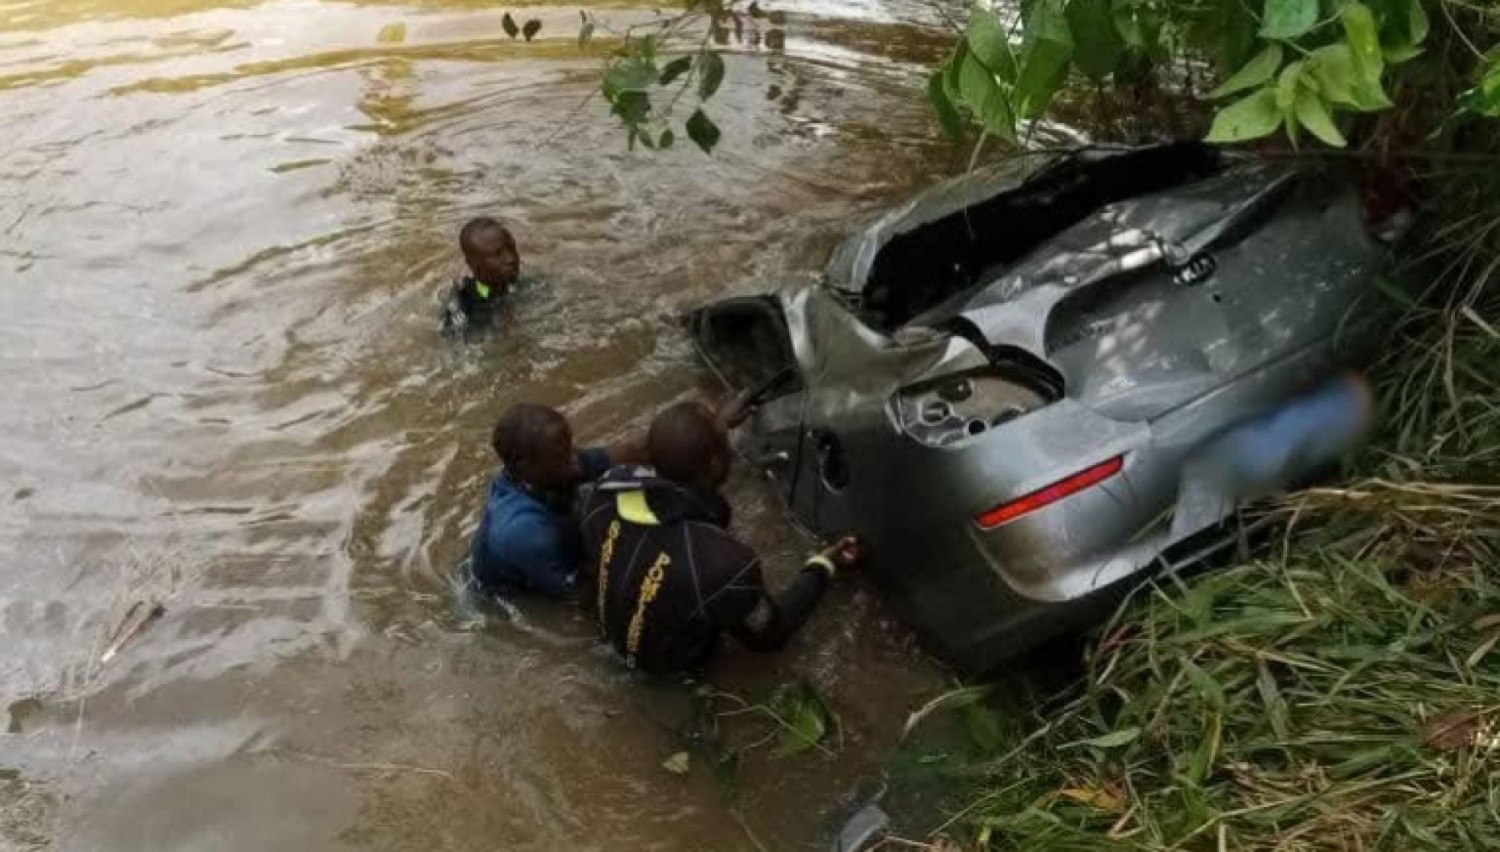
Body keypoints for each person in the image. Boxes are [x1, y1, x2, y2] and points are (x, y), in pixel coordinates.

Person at [579, 401, 864, 674]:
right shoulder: (725, 566)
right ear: (715, 464)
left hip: (610, 637)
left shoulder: (606, 491)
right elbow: (768, 636)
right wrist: (823, 565)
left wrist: (718, 427)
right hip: (673, 671)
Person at [469, 403, 642, 598]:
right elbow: (578, 597)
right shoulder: (523, 532)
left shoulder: (550, 465)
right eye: (562, 457)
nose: (576, 460)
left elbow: (628, 453)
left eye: (570, 445)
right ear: (523, 464)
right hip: (506, 597)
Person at [442, 217, 521, 336]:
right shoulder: (461, 309)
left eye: (511, 247)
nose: (511, 258)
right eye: (497, 254)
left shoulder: (528, 286)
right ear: (473, 264)